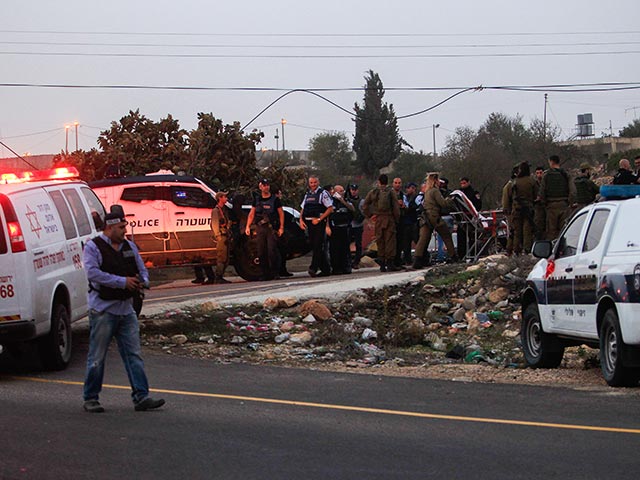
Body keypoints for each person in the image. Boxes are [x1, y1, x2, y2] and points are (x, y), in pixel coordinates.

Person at [82, 211, 165, 413]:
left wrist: (143, 281)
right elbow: (92, 273)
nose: (124, 231)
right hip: (104, 310)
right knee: (97, 357)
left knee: (133, 355)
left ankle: (141, 396)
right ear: (109, 228)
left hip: (126, 309)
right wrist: (122, 282)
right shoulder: (94, 247)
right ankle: (91, 398)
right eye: (120, 228)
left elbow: (141, 268)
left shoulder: (128, 246)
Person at [412, 173, 457, 268]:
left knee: (423, 239)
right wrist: (450, 199)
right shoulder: (435, 191)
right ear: (435, 181)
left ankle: (417, 260)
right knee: (446, 235)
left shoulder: (427, 191)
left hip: (425, 217)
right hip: (434, 216)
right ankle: (453, 256)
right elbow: (443, 203)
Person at [245, 178, 284, 280]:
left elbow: (281, 213)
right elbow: (251, 214)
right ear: (260, 186)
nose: (266, 187)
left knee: (272, 250)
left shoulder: (275, 200)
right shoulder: (257, 199)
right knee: (261, 251)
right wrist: (247, 226)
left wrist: (281, 227)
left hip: (271, 228)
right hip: (260, 228)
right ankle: (265, 274)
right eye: (264, 185)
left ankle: (275, 273)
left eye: (267, 185)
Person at [363, 174, 401, 272]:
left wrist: (370, 215)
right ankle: (390, 263)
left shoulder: (373, 192)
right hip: (389, 218)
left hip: (378, 219)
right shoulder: (391, 192)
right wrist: (397, 218)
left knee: (380, 241)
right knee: (390, 241)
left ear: (379, 181)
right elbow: (396, 207)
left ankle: (382, 264)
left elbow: (365, 205)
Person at [300, 176, 333, 277]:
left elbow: (330, 208)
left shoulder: (323, 193)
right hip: (309, 223)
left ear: (318, 182)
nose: (313, 184)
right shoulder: (308, 194)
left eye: (315, 182)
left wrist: (320, 219)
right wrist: (301, 220)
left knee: (318, 245)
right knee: (314, 246)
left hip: (319, 223)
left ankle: (313, 268)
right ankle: (326, 269)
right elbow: (303, 208)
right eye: (311, 183)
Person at [539, 154, 575, 240]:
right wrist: (570, 203)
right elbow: (573, 191)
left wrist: (544, 204)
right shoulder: (566, 174)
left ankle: (552, 250)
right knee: (564, 231)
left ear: (551, 162)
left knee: (551, 232)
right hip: (564, 205)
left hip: (551, 206)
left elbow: (542, 192)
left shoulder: (547, 175)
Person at [511, 162, 537, 255]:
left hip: (517, 208)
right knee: (527, 231)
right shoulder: (532, 181)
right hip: (528, 208)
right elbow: (536, 195)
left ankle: (516, 250)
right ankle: (527, 250)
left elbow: (512, 196)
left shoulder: (515, 181)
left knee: (517, 232)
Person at [328, 184, 354, 274]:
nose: (342, 192)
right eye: (340, 191)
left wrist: (342, 200)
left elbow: (352, 209)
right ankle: (336, 268)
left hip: (345, 228)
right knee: (335, 249)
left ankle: (346, 267)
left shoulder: (346, 201)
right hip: (335, 228)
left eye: (343, 191)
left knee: (345, 249)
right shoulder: (330, 202)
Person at [457, 177, 482, 259]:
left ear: (468, 182)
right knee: (461, 238)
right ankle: (462, 255)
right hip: (462, 218)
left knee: (472, 237)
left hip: (471, 218)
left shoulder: (474, 193)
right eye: (461, 183)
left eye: (464, 183)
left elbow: (478, 205)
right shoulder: (459, 193)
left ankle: (473, 254)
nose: (462, 185)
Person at [211, 191, 231, 284]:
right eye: (225, 197)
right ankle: (218, 276)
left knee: (226, 258)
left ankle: (220, 276)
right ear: (220, 198)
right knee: (221, 257)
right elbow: (215, 224)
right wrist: (218, 235)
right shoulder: (216, 211)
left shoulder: (224, 210)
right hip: (221, 236)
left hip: (226, 235)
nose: (226, 199)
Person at [273, 186, 293, 277]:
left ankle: (281, 270)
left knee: (281, 252)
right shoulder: (275, 203)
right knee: (279, 252)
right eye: (279, 193)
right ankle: (279, 270)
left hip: (278, 230)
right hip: (276, 230)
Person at [346, 184, 365, 269]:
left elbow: (364, 212)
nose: (353, 191)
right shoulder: (347, 201)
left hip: (358, 225)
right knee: (347, 244)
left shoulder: (362, 201)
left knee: (358, 244)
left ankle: (356, 262)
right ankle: (349, 261)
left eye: (355, 190)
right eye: (352, 190)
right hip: (350, 225)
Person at [501, 166, 519, 256]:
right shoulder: (510, 185)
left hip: (512, 211)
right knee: (514, 231)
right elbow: (506, 201)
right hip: (512, 212)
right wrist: (508, 212)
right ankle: (513, 250)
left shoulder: (511, 184)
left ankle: (511, 249)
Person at [400, 182, 419, 265]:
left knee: (418, 242)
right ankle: (407, 260)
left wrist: (407, 208)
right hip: (406, 223)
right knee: (406, 244)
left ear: (413, 188)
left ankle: (420, 258)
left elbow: (415, 208)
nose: (407, 190)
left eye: (409, 188)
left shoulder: (417, 198)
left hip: (414, 222)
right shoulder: (405, 197)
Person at [533, 165, 546, 241]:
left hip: (546, 206)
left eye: (540, 173)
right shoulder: (534, 184)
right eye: (537, 173)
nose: (539, 175)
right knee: (538, 227)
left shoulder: (546, 182)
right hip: (538, 208)